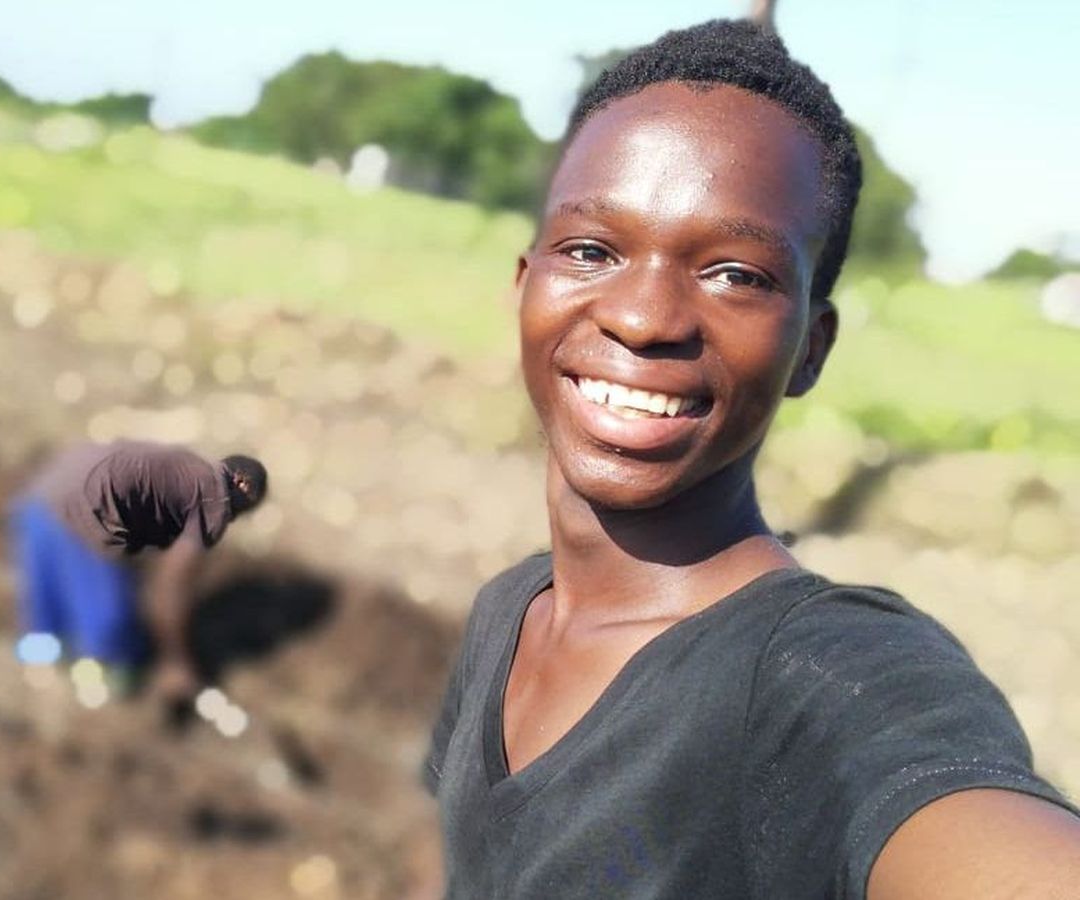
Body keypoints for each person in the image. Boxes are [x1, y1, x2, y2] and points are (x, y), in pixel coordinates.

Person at [422, 19, 1080, 899]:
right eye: (591, 251)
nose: (645, 316)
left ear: (811, 347)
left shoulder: (824, 680)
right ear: (523, 286)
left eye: (736, 273)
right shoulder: (511, 614)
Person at [10, 441, 268, 702]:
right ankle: (99, 687)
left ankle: (40, 656)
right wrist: (175, 662)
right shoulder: (215, 504)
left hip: (47, 488)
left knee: (46, 598)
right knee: (112, 631)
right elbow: (170, 590)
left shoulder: (188, 464)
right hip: (82, 515)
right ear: (242, 495)